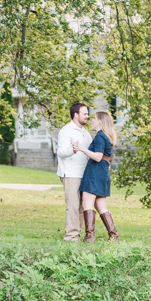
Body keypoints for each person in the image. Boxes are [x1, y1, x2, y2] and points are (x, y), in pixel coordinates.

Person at [74, 111, 119, 242]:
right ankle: (114, 236)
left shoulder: (100, 136)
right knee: (101, 206)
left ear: (100, 121)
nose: (91, 120)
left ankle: (90, 236)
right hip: (103, 172)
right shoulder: (107, 136)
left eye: (94, 118)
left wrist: (82, 149)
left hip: (94, 172)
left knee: (87, 203)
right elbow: (105, 157)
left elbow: (98, 157)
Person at [56, 102, 92, 242]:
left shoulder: (85, 133)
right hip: (70, 174)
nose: (87, 116)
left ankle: (77, 234)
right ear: (76, 115)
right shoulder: (66, 131)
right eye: (85, 113)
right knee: (73, 206)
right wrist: (73, 150)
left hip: (84, 174)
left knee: (82, 207)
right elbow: (60, 152)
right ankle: (71, 237)